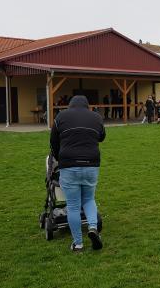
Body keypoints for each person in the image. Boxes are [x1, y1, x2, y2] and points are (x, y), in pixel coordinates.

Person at [50, 95, 105, 252]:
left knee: (73, 205)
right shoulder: (96, 117)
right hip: (91, 164)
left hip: (69, 165)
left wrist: (58, 158)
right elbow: (102, 137)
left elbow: (53, 142)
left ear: (70, 105)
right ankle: (93, 227)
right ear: (87, 106)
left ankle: (78, 243)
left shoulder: (61, 116)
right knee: (88, 199)